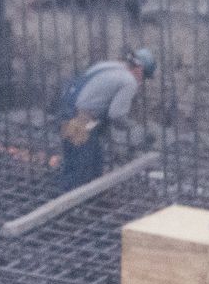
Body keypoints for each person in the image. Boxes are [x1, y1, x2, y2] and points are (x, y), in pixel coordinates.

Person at [52, 48, 157, 193]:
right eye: (144, 76)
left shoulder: (107, 65)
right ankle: (71, 206)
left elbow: (97, 101)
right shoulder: (129, 81)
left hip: (67, 112)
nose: (142, 81)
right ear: (140, 69)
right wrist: (135, 128)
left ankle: (72, 198)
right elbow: (116, 115)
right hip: (81, 121)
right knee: (83, 171)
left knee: (79, 161)